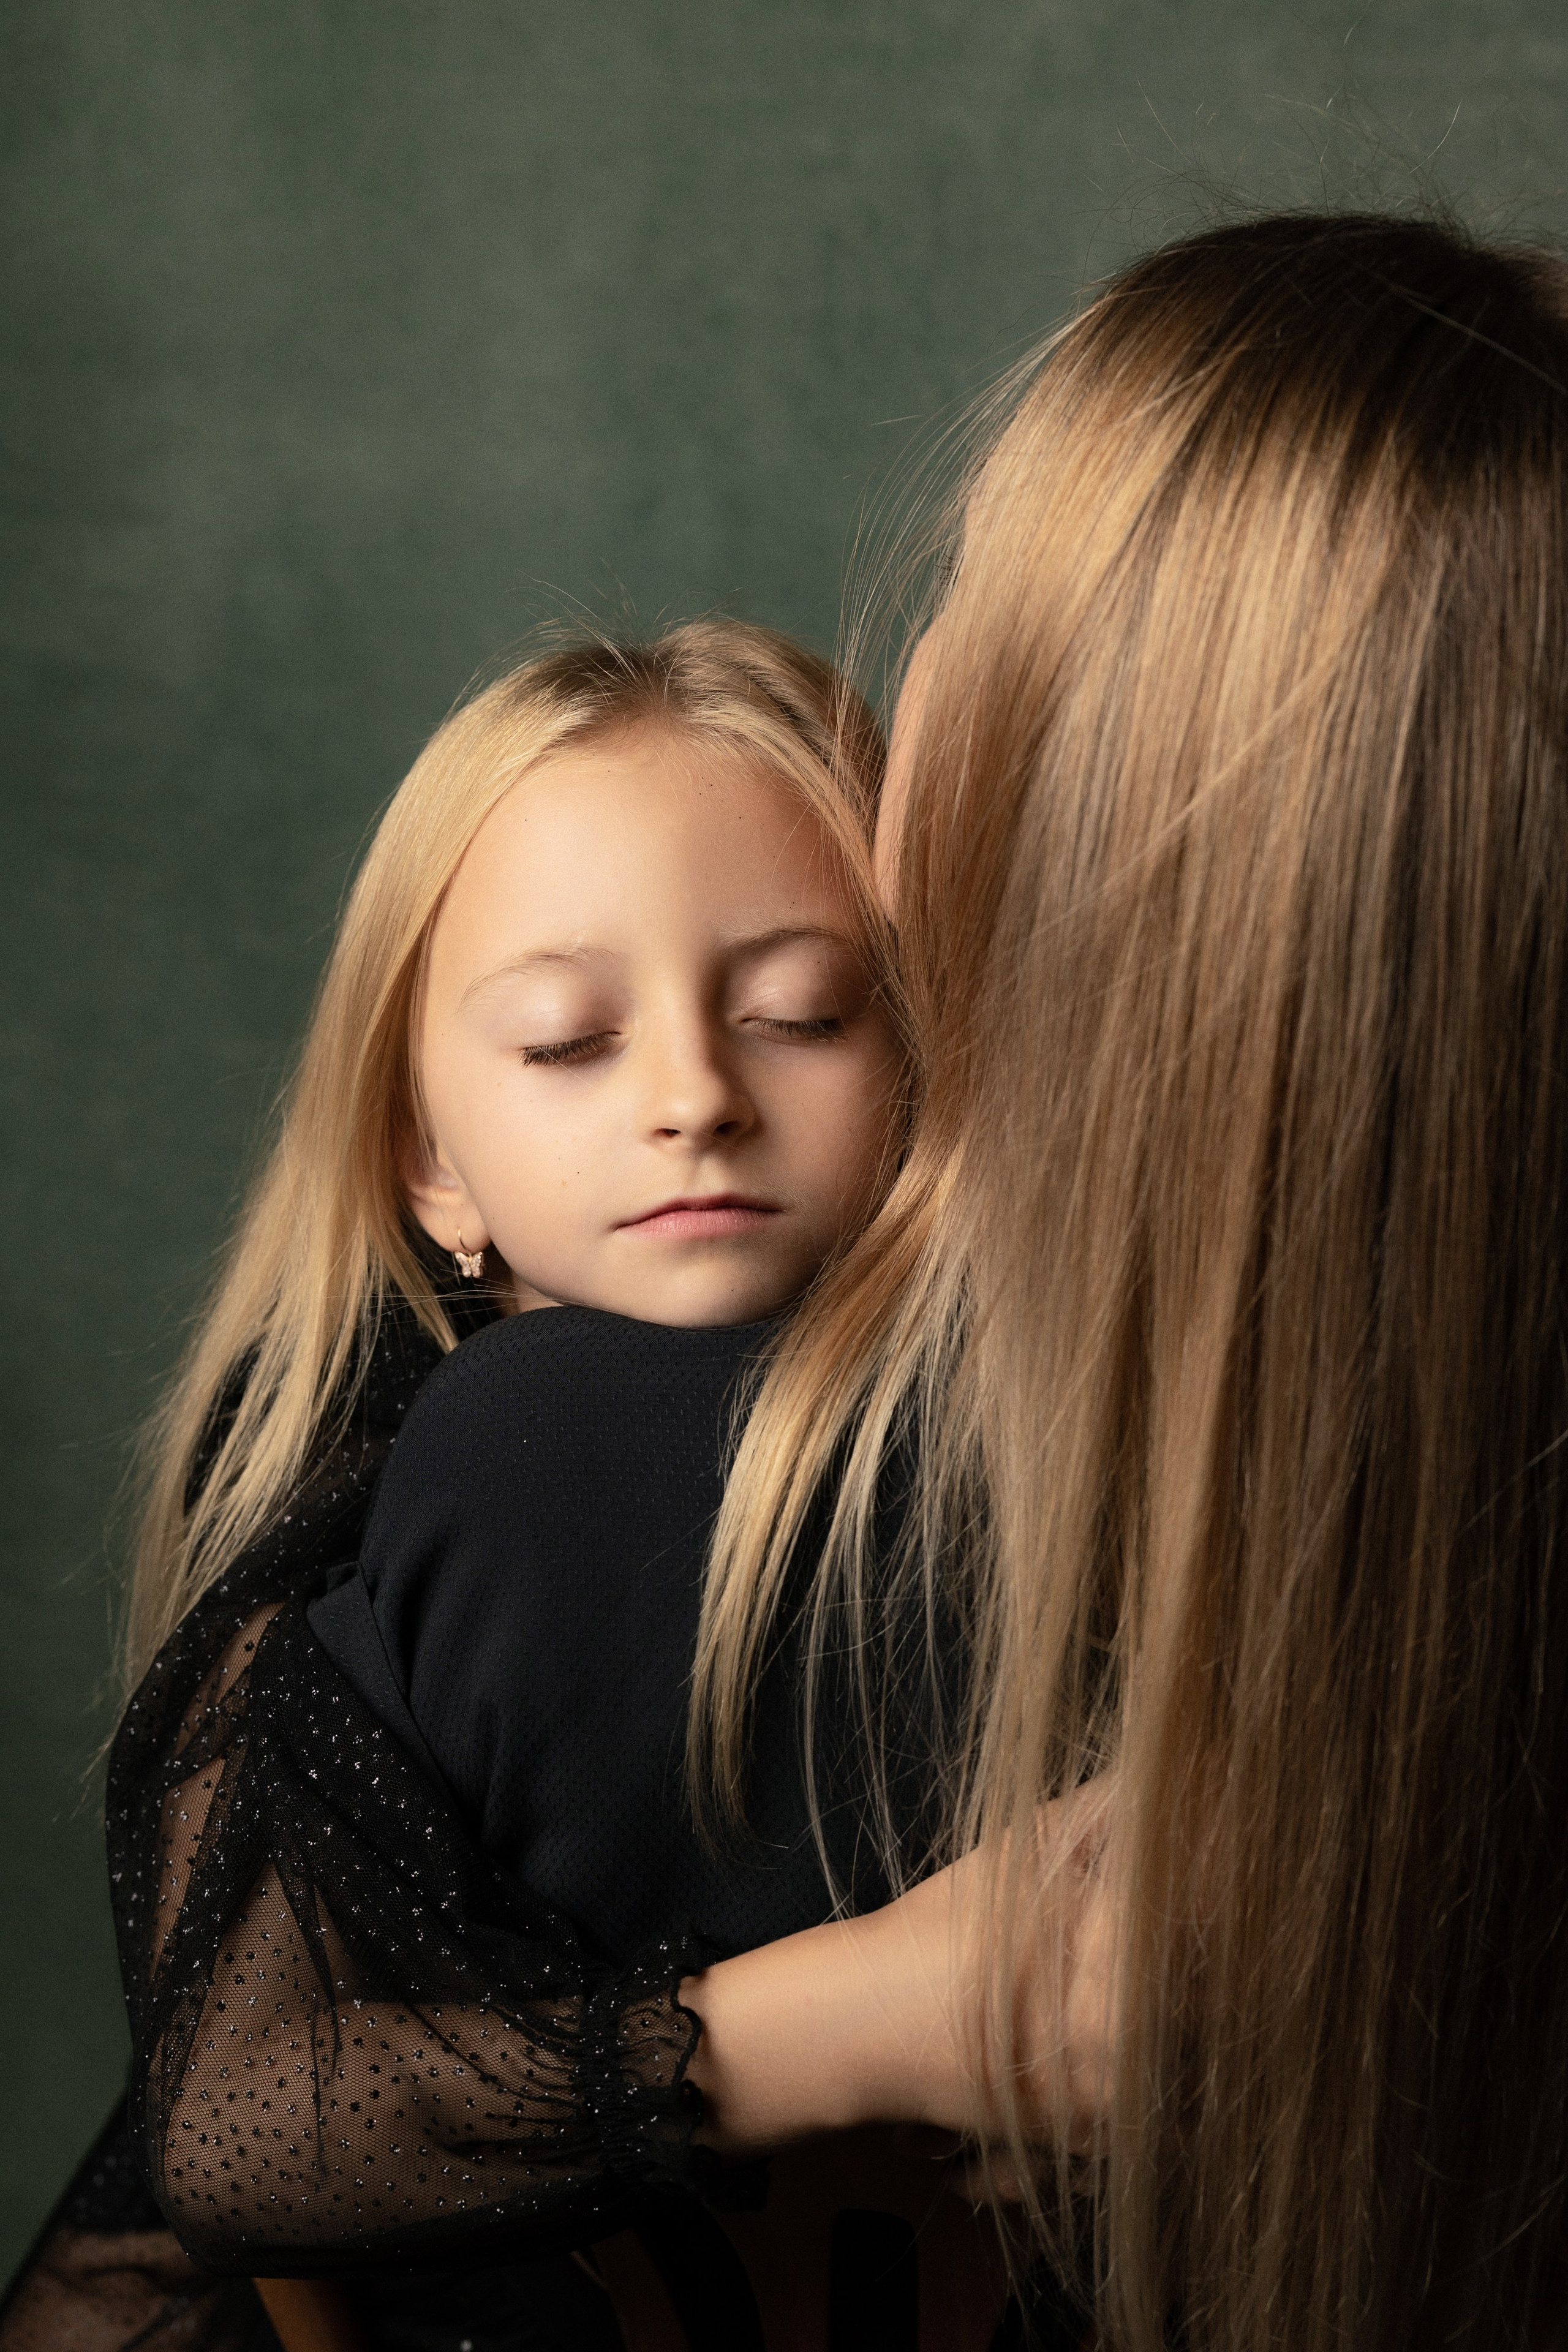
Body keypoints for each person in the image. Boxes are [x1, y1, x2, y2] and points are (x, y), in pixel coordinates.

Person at [677, 210, 1568, 2352]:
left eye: (981, 588)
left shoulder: (684, 1502)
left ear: (1053, 793)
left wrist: (723, 2048)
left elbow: (205, 2227)